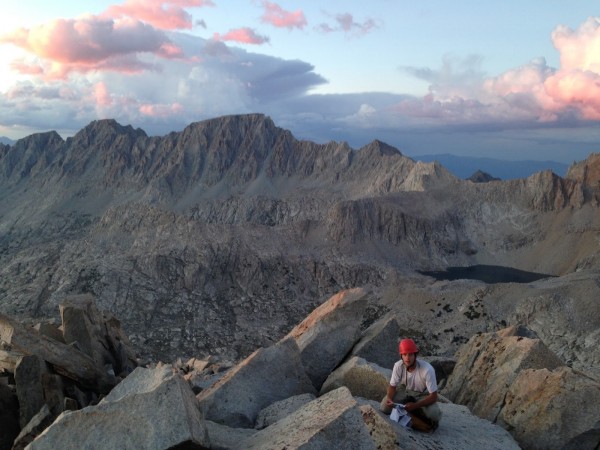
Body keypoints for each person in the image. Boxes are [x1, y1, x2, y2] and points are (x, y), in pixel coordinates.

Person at [380, 338, 442, 432]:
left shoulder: (427, 370)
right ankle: (411, 413)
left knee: (434, 414)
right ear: (401, 355)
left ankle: (408, 411)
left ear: (415, 355)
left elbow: (433, 396)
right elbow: (392, 386)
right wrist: (389, 397)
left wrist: (415, 405)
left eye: (410, 354)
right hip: (404, 390)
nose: (407, 358)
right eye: (405, 354)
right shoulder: (398, 366)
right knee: (384, 407)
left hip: (421, 394)